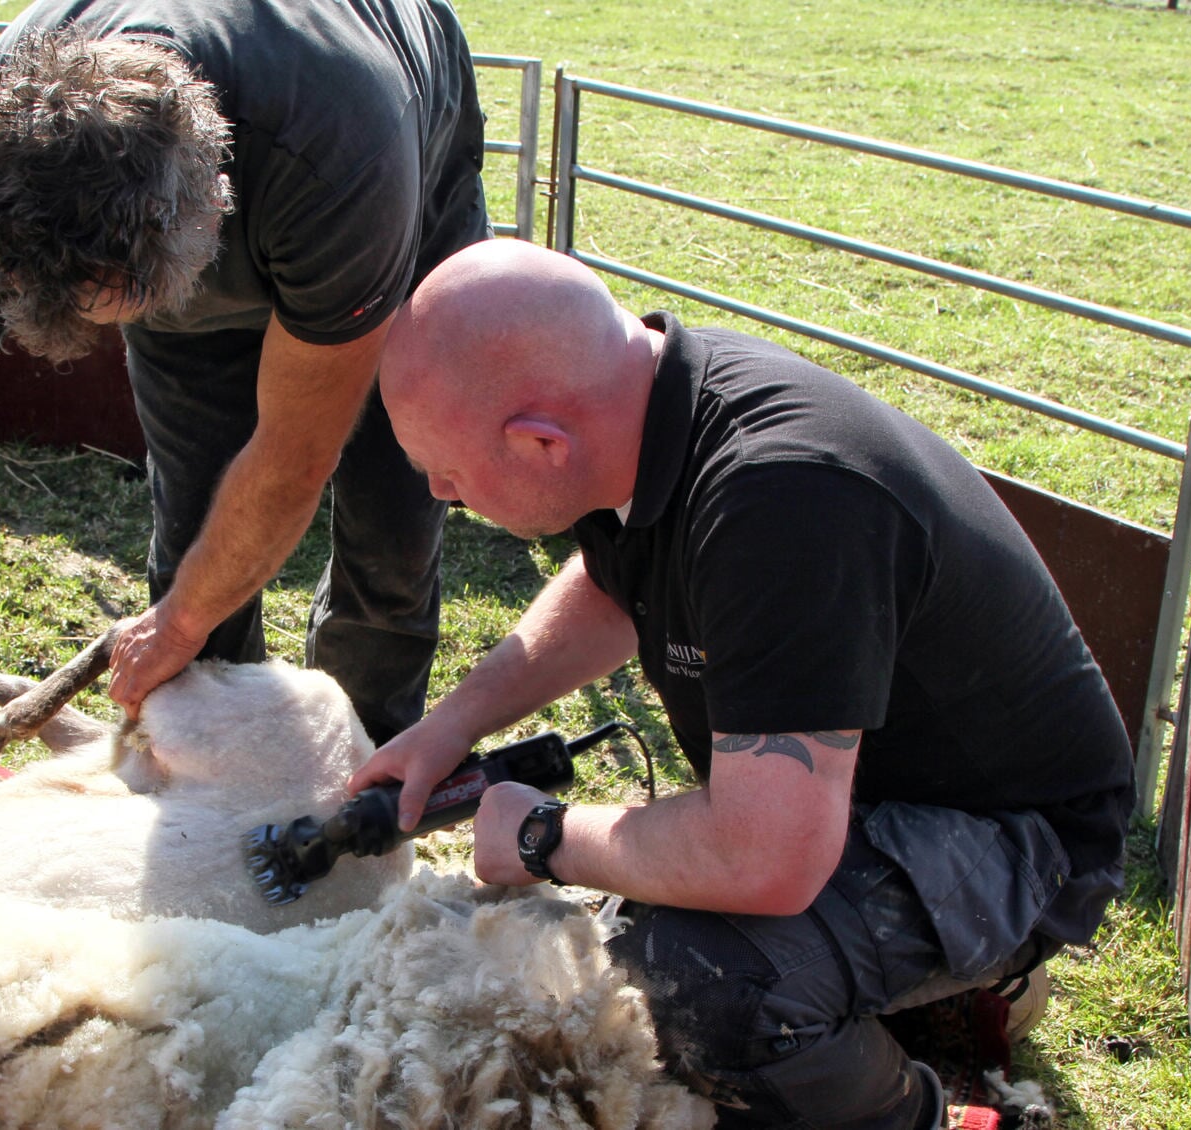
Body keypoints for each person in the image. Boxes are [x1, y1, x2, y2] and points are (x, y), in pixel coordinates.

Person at [349, 239, 1136, 1129]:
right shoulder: (642, 406)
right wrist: (455, 722)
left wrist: (542, 834)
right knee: (660, 925)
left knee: (699, 985)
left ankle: (927, 1112)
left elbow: (764, 857)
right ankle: (927, 993)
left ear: (540, 442)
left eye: (444, 472)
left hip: (1018, 842)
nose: (440, 491)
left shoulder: (780, 498)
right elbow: (616, 584)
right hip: (858, 801)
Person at [0, 0, 490, 841]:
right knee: (196, 538)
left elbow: (296, 453)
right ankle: (210, 810)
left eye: (120, 306)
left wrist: (179, 620)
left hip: (386, 186)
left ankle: (365, 792)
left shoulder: (336, 154)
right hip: (193, 227)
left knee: (388, 529)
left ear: (203, 222)